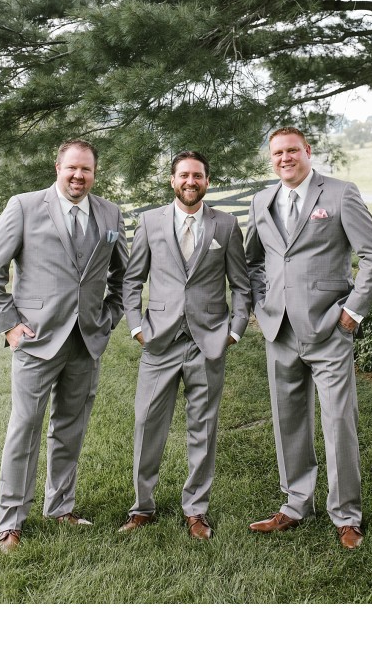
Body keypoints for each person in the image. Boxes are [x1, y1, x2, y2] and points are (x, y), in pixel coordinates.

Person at [0, 139, 128, 554]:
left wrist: (110, 316)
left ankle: (60, 506)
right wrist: (9, 326)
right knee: (24, 428)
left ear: (95, 174)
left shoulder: (110, 213)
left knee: (70, 427)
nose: (79, 176)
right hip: (36, 339)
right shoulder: (24, 206)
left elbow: (124, 275)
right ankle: (11, 520)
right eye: (72, 168)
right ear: (58, 167)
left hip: (86, 340)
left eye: (87, 170)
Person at [245, 127, 372, 549]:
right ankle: (295, 503)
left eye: (292, 150)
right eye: (277, 153)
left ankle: (346, 514)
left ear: (308, 151)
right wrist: (261, 303)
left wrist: (351, 314)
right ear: (271, 159)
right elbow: (254, 261)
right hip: (279, 330)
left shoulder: (340, 194)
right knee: (288, 420)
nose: (285, 158)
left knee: (338, 421)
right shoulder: (261, 200)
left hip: (329, 329)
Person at [119, 150, 251, 539]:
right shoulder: (150, 221)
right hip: (158, 340)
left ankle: (196, 510)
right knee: (146, 423)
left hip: (208, 340)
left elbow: (242, 285)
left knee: (204, 428)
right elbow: (131, 280)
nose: (190, 182)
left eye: (197, 176)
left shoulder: (225, 225)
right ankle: (142, 506)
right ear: (172, 180)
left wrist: (235, 330)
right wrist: (135, 327)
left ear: (207, 181)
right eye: (183, 176)